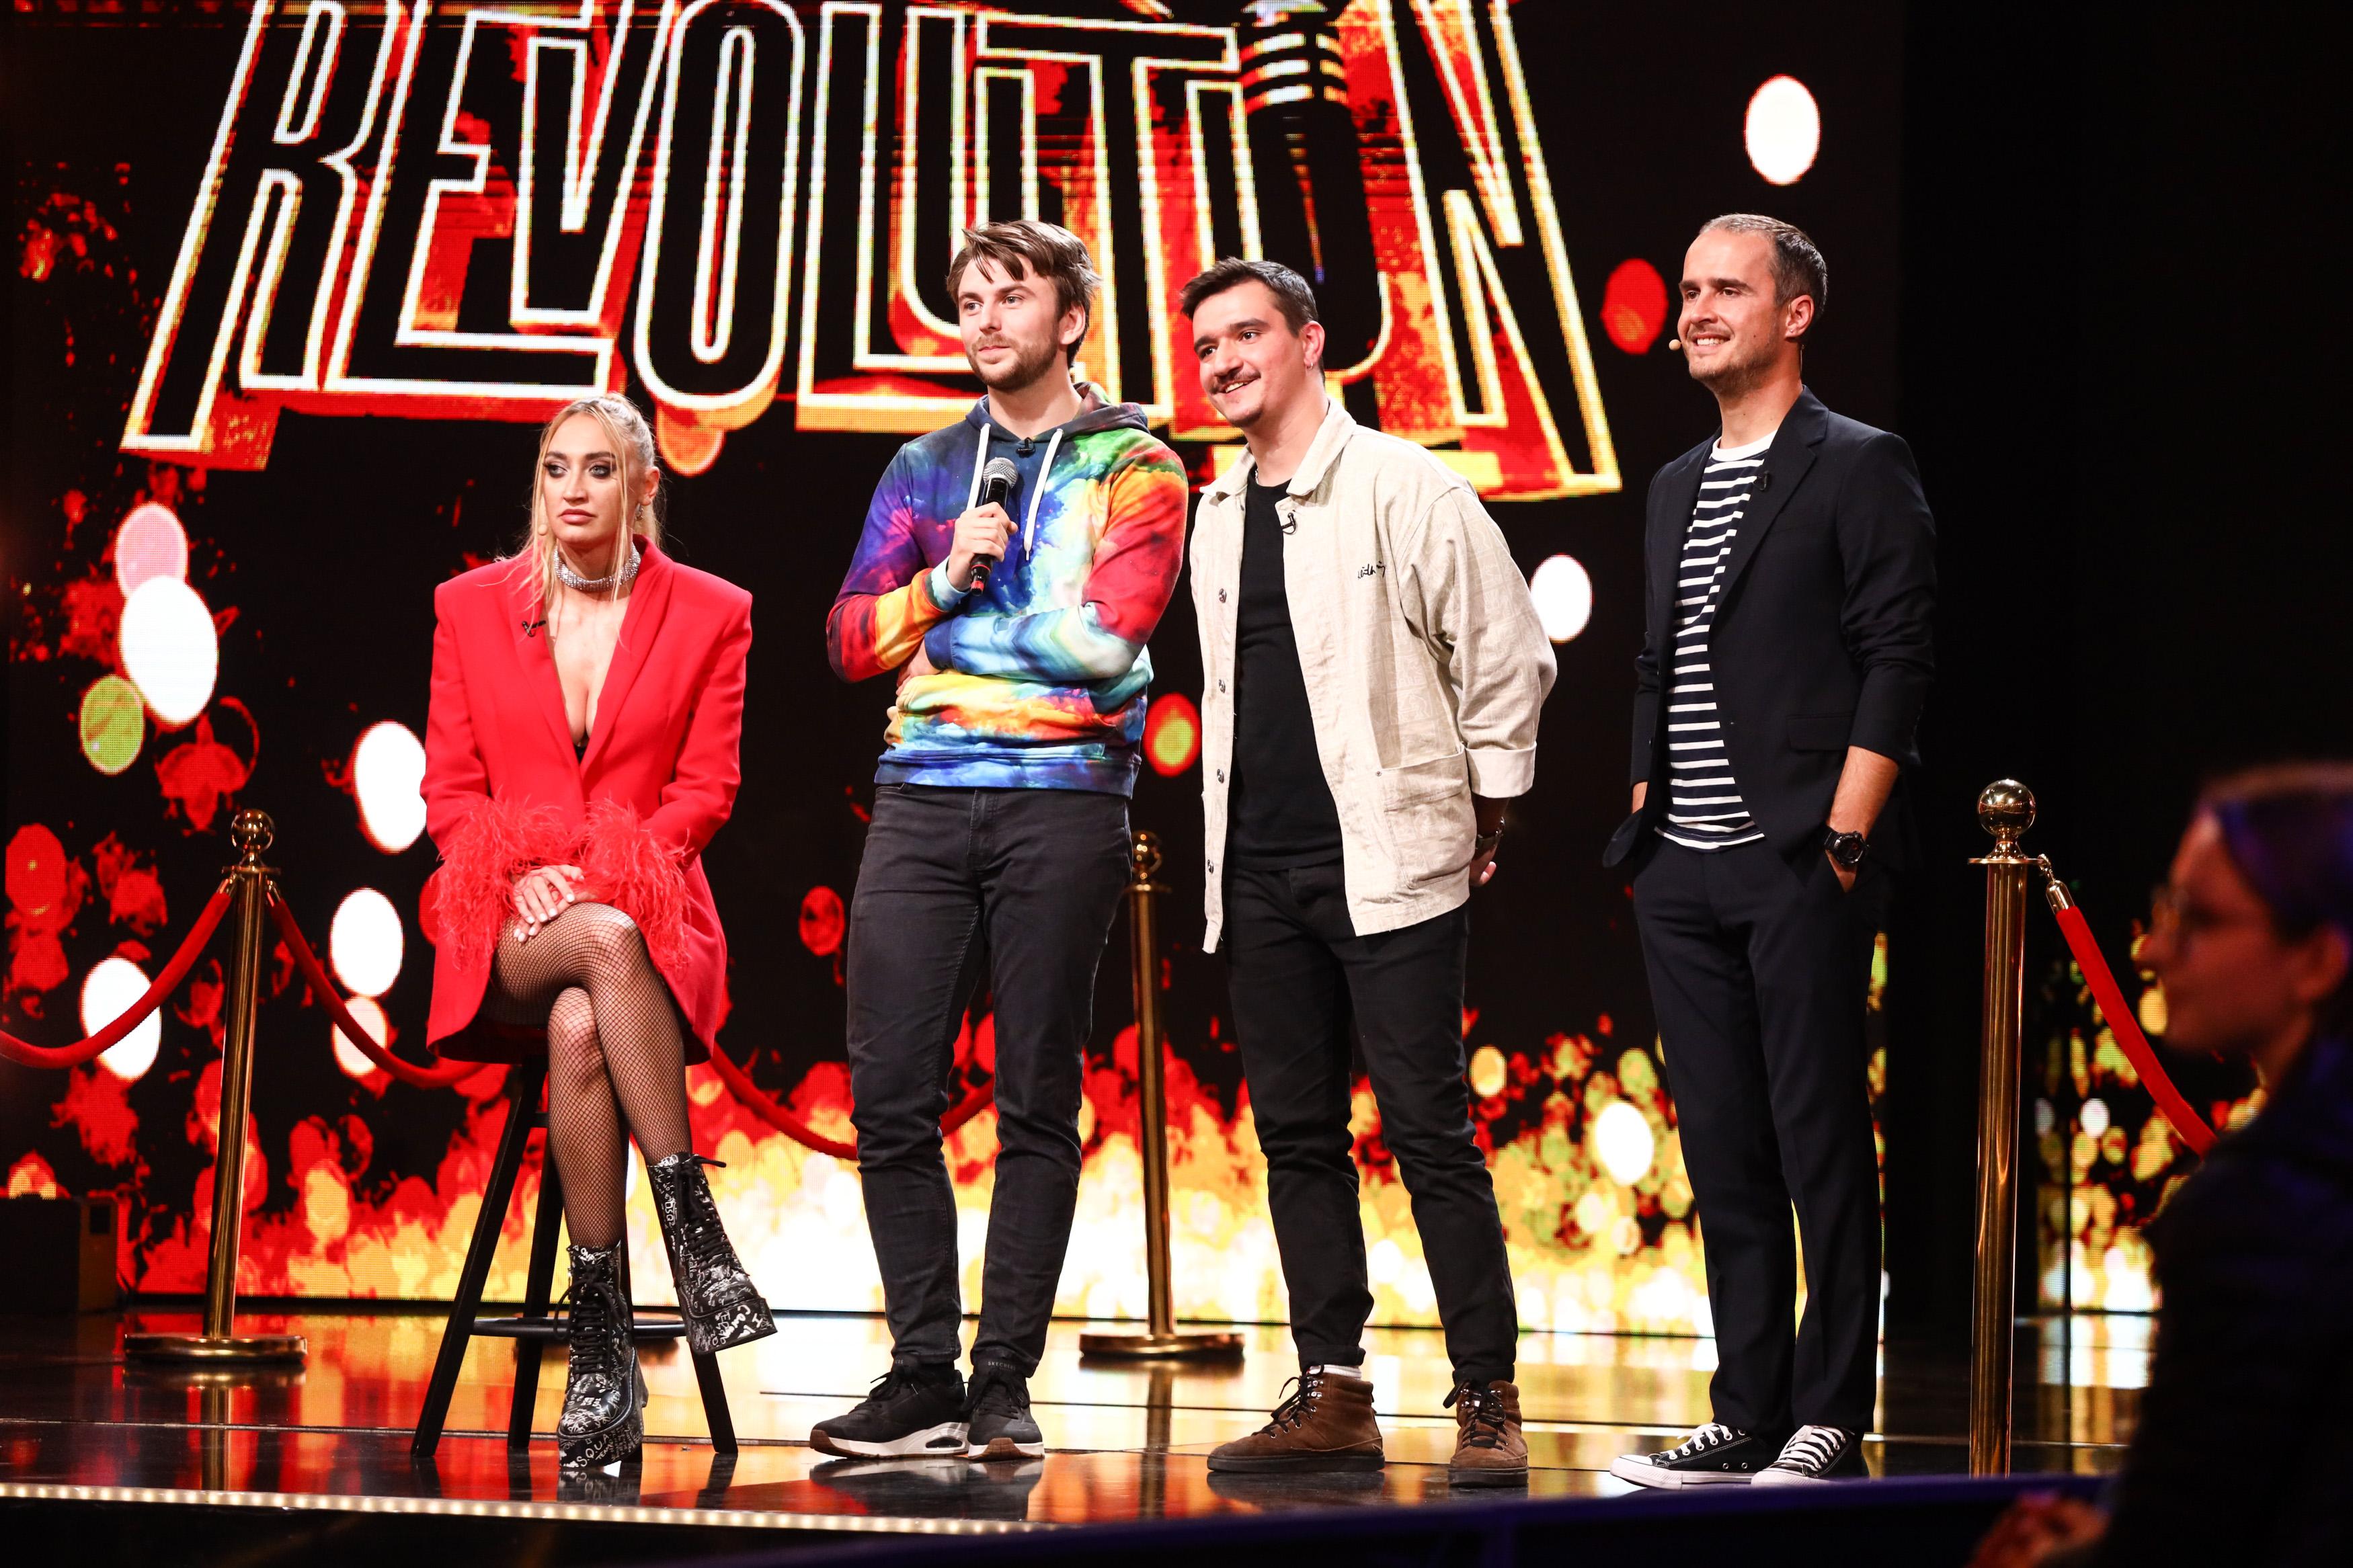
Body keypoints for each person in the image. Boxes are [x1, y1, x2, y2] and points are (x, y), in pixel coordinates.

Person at [1180, 258, 1556, 1487]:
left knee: (1430, 1131)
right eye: (1208, 346)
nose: (1225, 361)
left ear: (1309, 342)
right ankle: (1333, 1392)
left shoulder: (1407, 485)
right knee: (1297, 1137)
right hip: (1258, 869)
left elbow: (1507, 652)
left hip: (1389, 859)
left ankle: (1488, 1397)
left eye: (1246, 334)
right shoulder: (1214, 510)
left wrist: (1487, 803)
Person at [815, 220, 1188, 1461]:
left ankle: (1003, 1381)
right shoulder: (926, 468)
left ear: (1070, 318)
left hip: (1065, 799)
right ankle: (922, 1371)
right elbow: (847, 641)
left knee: (1038, 1095)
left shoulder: (1137, 464)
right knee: (889, 1094)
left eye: (1009, 296)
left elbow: (1109, 639)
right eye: (968, 299)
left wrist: (941, 636)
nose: (982, 318)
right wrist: (936, 585)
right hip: (920, 791)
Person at [1605, 215, 1936, 1489]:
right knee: (1723, 1147)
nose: (1696, 310)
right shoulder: (1675, 482)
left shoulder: (1857, 463)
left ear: (1795, 313)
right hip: (1681, 865)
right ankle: (1746, 1406)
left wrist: (1844, 835)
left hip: (1801, 853)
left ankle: (1829, 1409)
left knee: (1818, 1138)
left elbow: (1898, 656)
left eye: (1727, 290)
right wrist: (1650, 814)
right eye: (1690, 289)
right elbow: (1656, 662)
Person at [422, 393, 773, 1472]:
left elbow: (706, 791)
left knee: (584, 1017)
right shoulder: (471, 606)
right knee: (596, 947)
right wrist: (524, 874)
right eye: (556, 467)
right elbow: (450, 792)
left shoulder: (713, 612)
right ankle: (699, 1240)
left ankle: (600, 1353)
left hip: (649, 915)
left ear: (645, 487)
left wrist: (603, 874)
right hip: (507, 921)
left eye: (600, 470)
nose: (573, 489)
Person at [1972, 766, 2353, 1567]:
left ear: (2317, 957)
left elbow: (2181, 1539)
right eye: (2164, 909)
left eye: (2197, 918)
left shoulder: (2260, 1206)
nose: (2150, 949)